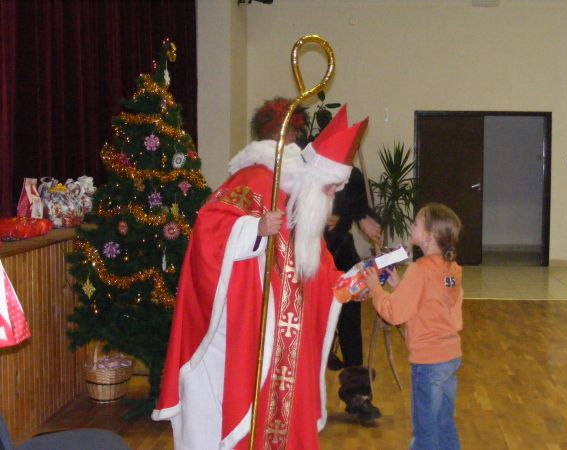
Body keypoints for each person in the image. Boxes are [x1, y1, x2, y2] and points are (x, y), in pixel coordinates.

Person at [152, 98, 369, 450]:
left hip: (289, 338)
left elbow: (315, 267)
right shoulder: (253, 179)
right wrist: (254, 229)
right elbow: (209, 229)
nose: (332, 196)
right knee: (252, 410)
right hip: (253, 331)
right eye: (331, 187)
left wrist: (346, 286)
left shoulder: (297, 195)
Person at [363, 203, 463, 450]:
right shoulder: (452, 269)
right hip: (450, 357)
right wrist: (400, 287)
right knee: (444, 425)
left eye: (416, 223)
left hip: (428, 363)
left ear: (429, 236)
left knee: (424, 434)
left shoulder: (419, 270)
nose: (411, 226)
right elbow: (431, 306)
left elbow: (394, 313)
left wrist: (376, 289)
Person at [324, 166, 383, 422]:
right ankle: (301, 401)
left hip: (341, 255)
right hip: (307, 257)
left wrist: (365, 218)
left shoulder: (354, 176)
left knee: (350, 327)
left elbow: (360, 211)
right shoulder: (300, 164)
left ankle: (358, 395)